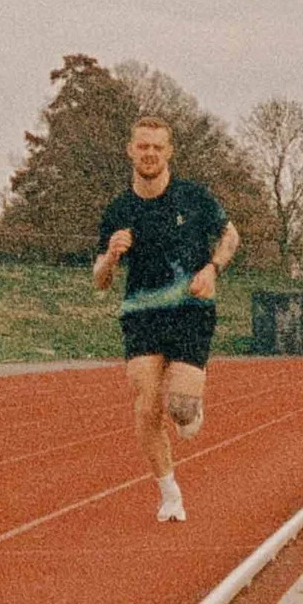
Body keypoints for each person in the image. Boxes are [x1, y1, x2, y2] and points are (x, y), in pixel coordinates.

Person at [93, 115, 239, 522]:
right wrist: (111, 255)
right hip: (142, 315)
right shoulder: (119, 210)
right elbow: (100, 281)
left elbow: (231, 236)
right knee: (145, 406)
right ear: (131, 150)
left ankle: (189, 408)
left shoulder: (193, 198)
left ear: (169, 151)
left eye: (157, 147)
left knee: (180, 410)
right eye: (143, 146)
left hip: (191, 312)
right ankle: (169, 492)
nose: (150, 153)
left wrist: (212, 270)